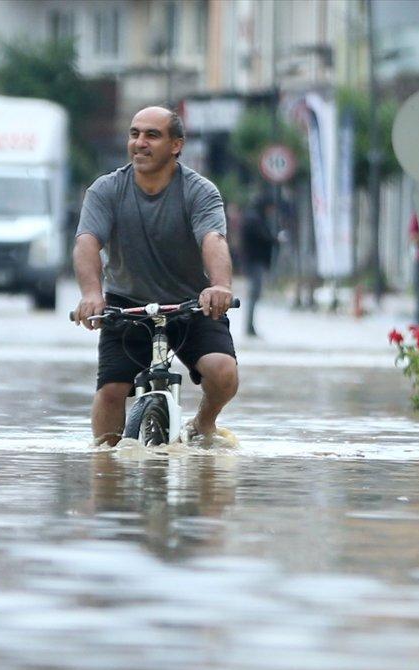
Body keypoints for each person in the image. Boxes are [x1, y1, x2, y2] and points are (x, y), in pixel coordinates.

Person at [71, 106, 237, 447]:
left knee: (223, 372)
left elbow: (213, 239)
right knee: (112, 390)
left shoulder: (199, 191)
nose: (140, 143)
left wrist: (220, 286)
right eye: (134, 134)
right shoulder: (105, 190)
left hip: (192, 303)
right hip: (127, 305)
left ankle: (204, 422)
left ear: (176, 145)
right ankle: (106, 462)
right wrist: (91, 294)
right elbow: (87, 242)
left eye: (152, 135)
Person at [241, 191, 283, 337]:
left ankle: (250, 325)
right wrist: (275, 240)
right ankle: (249, 326)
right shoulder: (255, 220)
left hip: (254, 261)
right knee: (254, 294)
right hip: (254, 262)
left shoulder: (255, 218)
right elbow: (263, 237)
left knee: (255, 294)